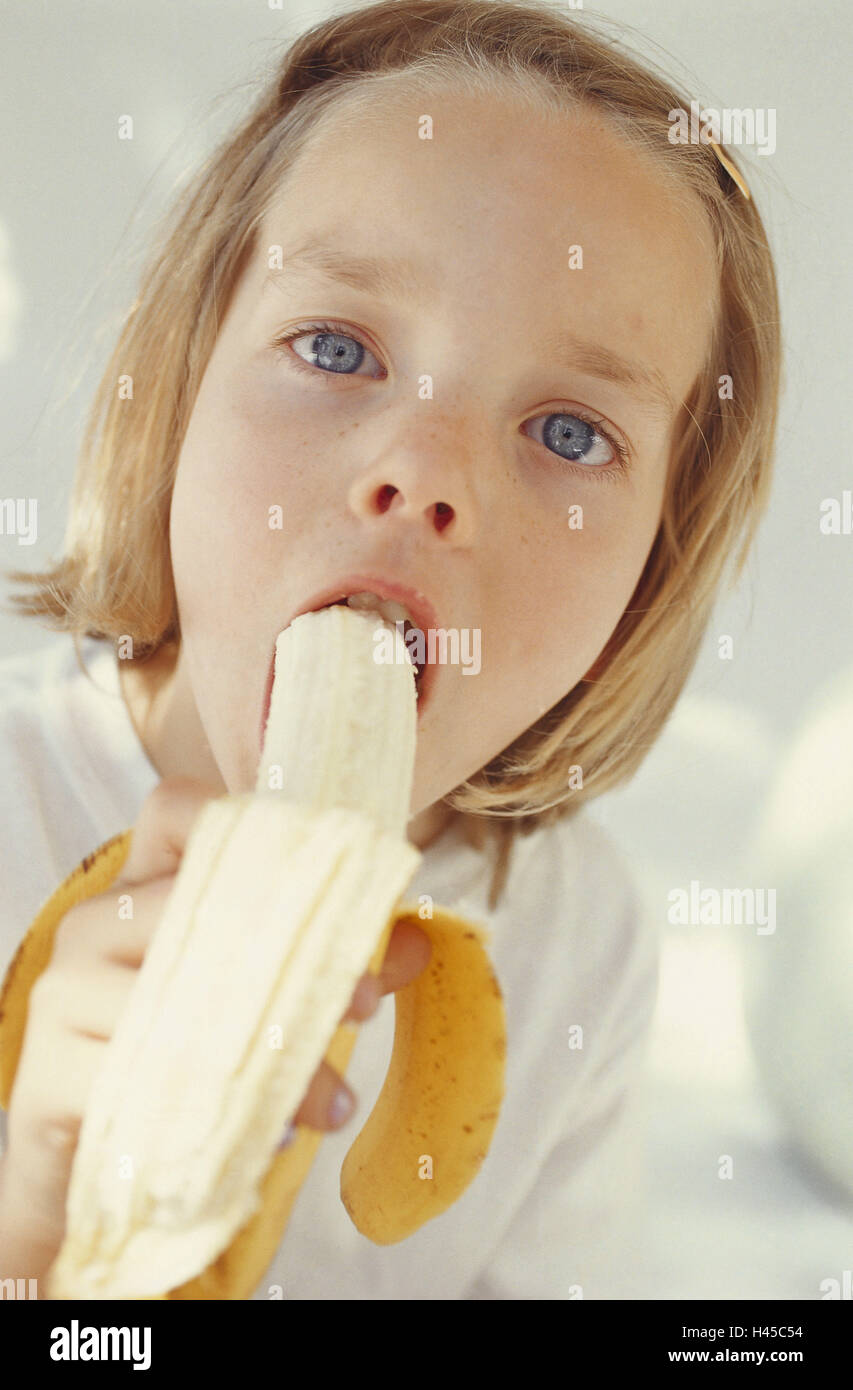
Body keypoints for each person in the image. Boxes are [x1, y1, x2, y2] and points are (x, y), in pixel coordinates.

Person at [0, 0, 780, 1299]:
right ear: (178, 392)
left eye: (569, 434)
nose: (422, 473)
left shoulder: (577, 944)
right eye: (336, 347)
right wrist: (26, 1225)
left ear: (644, 587)